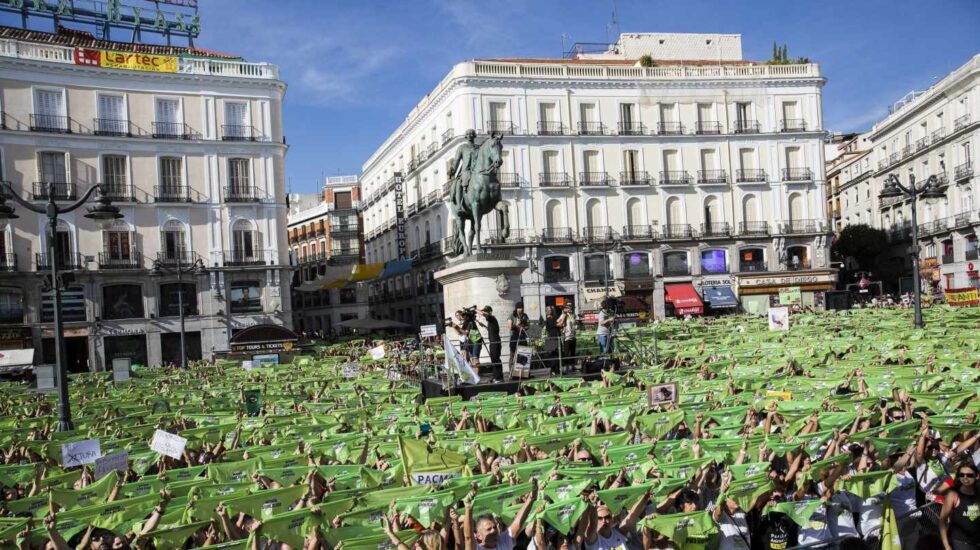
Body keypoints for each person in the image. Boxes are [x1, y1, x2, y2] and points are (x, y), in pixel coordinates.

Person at [939, 461, 979, 550]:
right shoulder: (953, 494)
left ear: (977, 476)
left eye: (969, 475)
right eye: (962, 475)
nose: (965, 478)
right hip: (960, 543)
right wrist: (946, 546)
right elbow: (942, 520)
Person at [478, 306, 503, 382]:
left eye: (486, 311)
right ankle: (496, 376)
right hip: (492, 342)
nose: (484, 312)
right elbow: (491, 330)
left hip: (495, 342)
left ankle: (499, 377)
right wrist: (484, 326)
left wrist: (476, 310)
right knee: (493, 360)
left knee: (496, 359)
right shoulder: (490, 321)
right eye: (484, 311)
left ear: (490, 311)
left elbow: (485, 315)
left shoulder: (492, 318)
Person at [556, 304, 577, 371]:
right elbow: (557, 322)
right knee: (566, 353)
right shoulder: (563, 315)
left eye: (571, 307)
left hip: (573, 336)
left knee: (573, 352)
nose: (570, 308)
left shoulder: (573, 315)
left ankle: (572, 366)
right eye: (569, 307)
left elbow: (574, 324)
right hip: (566, 337)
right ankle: (566, 367)